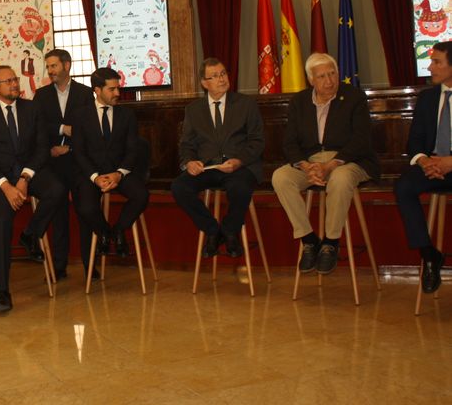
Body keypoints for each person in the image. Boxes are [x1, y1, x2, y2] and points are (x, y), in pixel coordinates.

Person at [273, 53, 379, 275]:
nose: (329, 81)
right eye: (322, 76)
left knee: (340, 178)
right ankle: (309, 240)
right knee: (281, 177)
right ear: (311, 79)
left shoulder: (354, 97)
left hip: (348, 160)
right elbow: (289, 142)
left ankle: (330, 243)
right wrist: (306, 166)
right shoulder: (299, 101)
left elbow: (361, 140)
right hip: (311, 163)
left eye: (332, 74)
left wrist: (329, 166)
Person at [0, 65, 65, 314]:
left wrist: (25, 177)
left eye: (15, 79)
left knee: (56, 189)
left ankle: (31, 234)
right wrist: (6, 186)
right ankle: (3, 293)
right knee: (0, 223)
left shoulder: (31, 108)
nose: (15, 84)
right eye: (8, 81)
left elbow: (42, 148)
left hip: (29, 172)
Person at [171, 58, 264, 259]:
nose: (222, 79)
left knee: (240, 187)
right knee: (179, 187)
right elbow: (186, 145)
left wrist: (238, 161)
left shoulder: (246, 104)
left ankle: (230, 231)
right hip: (208, 167)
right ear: (204, 83)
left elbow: (257, 141)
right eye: (215, 76)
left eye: (223, 73)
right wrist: (189, 162)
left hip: (239, 166)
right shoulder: (193, 109)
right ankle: (213, 230)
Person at [72, 67, 148, 258]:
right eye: (112, 89)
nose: (117, 93)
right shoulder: (80, 116)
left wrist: (119, 174)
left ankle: (119, 231)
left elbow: (132, 150)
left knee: (141, 195)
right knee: (85, 207)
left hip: (120, 172)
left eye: (118, 88)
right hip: (92, 174)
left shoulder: (127, 115)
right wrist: (95, 177)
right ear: (97, 90)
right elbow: (79, 152)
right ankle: (105, 232)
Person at [395, 41, 452, 293]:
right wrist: (424, 161)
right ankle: (429, 254)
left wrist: (450, 162)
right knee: (403, 186)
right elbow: (415, 141)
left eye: (437, 62)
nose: (430, 67)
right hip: (432, 165)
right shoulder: (427, 98)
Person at [33, 48, 95, 279]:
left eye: (54, 66)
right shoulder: (41, 95)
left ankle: (90, 265)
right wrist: (60, 130)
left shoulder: (85, 93)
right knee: (58, 217)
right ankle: (59, 266)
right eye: (48, 67)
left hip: (79, 163)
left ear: (66, 65)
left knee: (85, 213)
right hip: (53, 164)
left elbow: (90, 129)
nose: (50, 71)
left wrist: (69, 148)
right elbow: (38, 127)